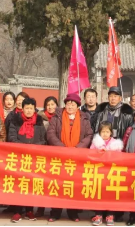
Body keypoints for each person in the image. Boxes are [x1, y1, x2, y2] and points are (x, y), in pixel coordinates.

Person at [46, 93, 93, 222]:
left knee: (74, 185)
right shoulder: (57, 117)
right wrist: (62, 148)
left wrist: (78, 148)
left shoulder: (84, 118)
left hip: (77, 157)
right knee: (58, 184)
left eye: (73, 104)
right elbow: (50, 133)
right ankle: (55, 212)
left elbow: (89, 135)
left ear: (78, 106)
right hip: (59, 157)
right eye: (68, 104)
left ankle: (73, 212)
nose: (70, 106)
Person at [7, 98, 46, 223]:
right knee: (19, 184)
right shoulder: (15, 121)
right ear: (22, 109)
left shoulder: (39, 122)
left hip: (34, 158)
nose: (29, 111)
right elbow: (11, 137)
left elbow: (44, 140)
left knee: (31, 184)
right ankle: (17, 211)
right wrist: (24, 148)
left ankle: (29, 210)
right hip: (19, 157)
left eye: (31, 108)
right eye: (26, 108)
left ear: (35, 109)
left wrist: (33, 148)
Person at [90, 121, 124, 227]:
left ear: (111, 133)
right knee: (99, 194)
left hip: (111, 174)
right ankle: (98, 215)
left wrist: (109, 154)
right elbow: (90, 155)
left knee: (111, 194)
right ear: (99, 132)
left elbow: (119, 158)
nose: (105, 134)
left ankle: (110, 215)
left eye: (107, 132)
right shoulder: (95, 143)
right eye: (103, 132)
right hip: (99, 173)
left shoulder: (116, 144)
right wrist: (99, 153)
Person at [34, 95, 59, 219]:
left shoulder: (60, 117)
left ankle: (55, 209)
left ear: (57, 106)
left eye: (52, 104)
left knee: (55, 183)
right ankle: (40, 208)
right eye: (48, 105)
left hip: (56, 153)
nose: (50, 107)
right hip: (43, 153)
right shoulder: (39, 118)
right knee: (42, 181)